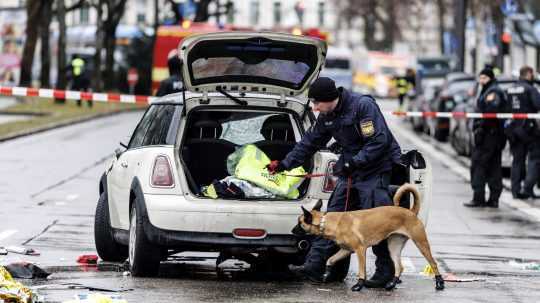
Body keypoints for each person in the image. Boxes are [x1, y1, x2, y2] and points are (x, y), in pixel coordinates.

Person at [267, 77, 402, 287]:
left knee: (376, 223)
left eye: (317, 103)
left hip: (374, 171)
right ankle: (316, 267)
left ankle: (384, 271)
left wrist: (353, 163)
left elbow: (378, 141)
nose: (315, 108)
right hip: (351, 172)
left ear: (330, 99)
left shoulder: (362, 106)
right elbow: (309, 142)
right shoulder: (327, 115)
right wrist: (285, 164)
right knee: (329, 220)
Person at [464, 68, 507, 208]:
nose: (481, 81)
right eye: (480, 78)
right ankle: (493, 199)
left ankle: (479, 198)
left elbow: (490, 112)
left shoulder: (493, 91)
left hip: (489, 136)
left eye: (484, 78)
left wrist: (481, 127)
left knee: (479, 166)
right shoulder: (488, 90)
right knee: (493, 166)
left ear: (490, 78)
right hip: (492, 135)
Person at [506, 66, 540, 199]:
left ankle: (515, 190)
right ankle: (527, 188)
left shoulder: (510, 89)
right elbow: (538, 105)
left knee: (517, 161)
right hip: (528, 129)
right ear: (529, 74)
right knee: (534, 158)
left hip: (513, 129)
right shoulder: (530, 89)